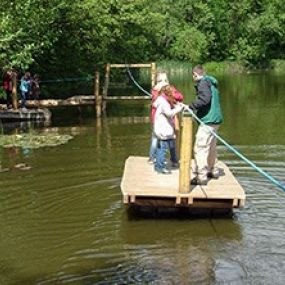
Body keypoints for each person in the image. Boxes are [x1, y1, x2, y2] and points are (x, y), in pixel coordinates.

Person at [189, 65, 223, 185]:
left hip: (208, 121)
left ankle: (202, 176)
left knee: (200, 148)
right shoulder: (211, 82)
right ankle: (213, 170)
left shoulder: (203, 83)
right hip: (216, 119)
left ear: (195, 74)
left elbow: (205, 99)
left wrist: (191, 106)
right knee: (211, 146)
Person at [148, 71, 184, 165]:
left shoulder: (170, 89)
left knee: (171, 138)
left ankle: (173, 159)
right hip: (158, 119)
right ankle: (152, 158)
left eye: (165, 80)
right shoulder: (155, 91)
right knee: (156, 138)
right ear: (157, 81)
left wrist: (172, 94)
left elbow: (180, 96)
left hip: (168, 119)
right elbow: (157, 100)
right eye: (161, 80)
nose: (163, 82)